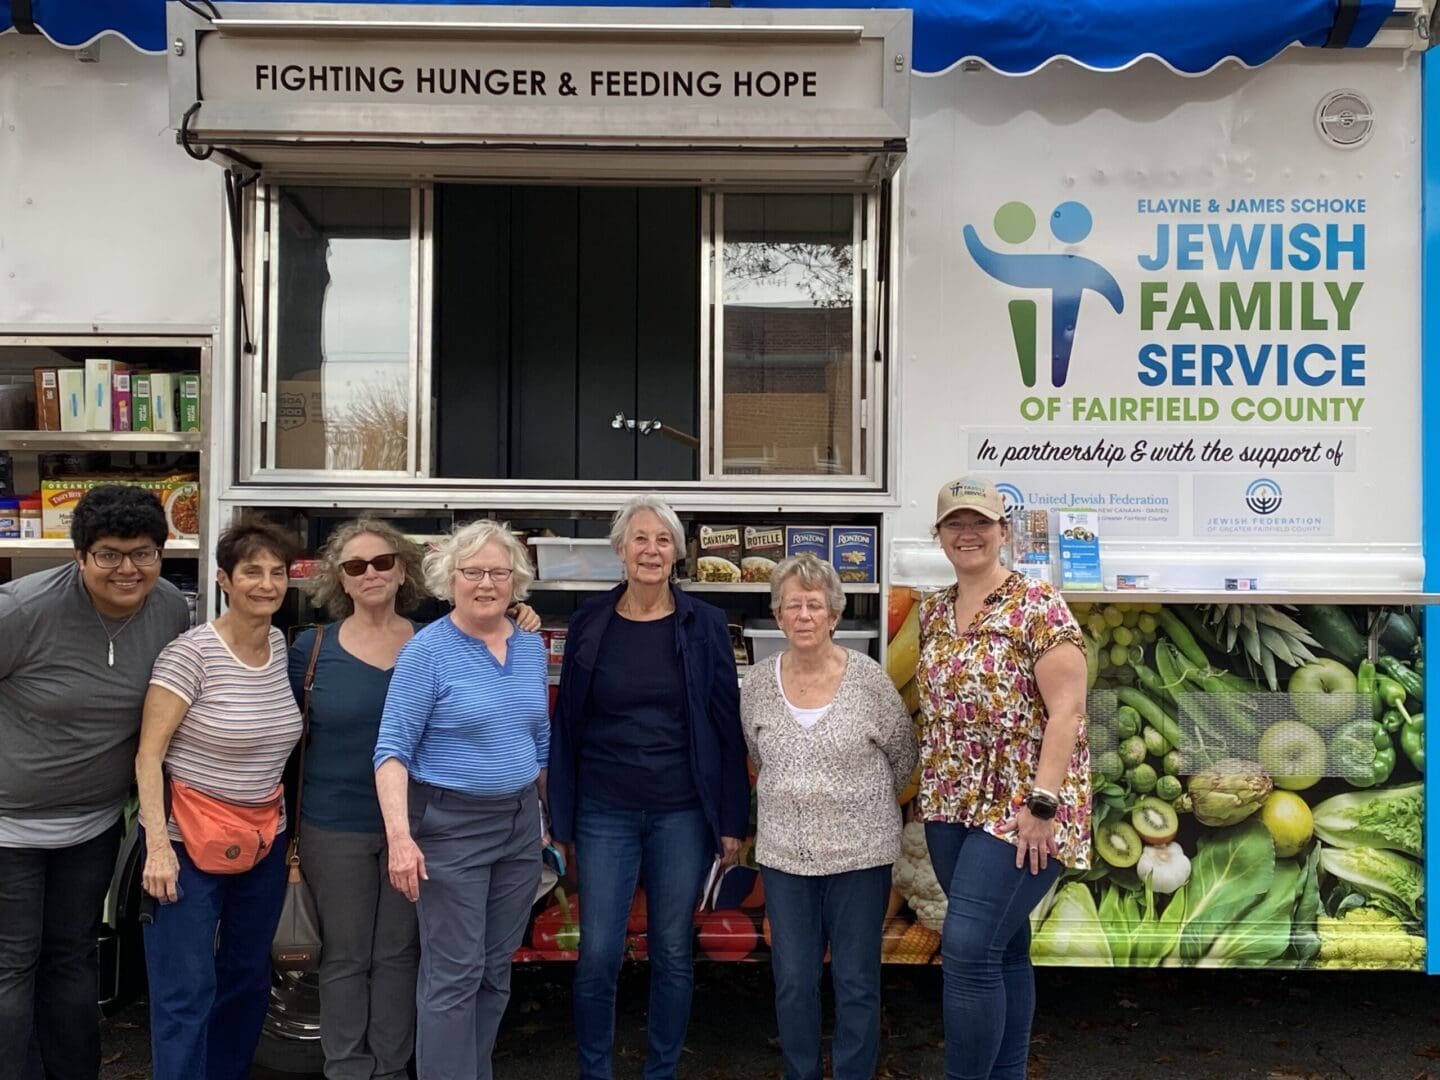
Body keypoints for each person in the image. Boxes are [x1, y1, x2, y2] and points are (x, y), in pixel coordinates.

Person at [548, 495, 750, 1080]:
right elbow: (567, 725)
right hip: (603, 809)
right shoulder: (591, 620)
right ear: (620, 549)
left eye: (663, 541)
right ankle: (596, 1071)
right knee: (598, 954)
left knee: (671, 951)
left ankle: (660, 1071)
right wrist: (562, 818)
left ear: (678, 555)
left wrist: (731, 821)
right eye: (640, 539)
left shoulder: (705, 624)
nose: (651, 551)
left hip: (682, 813)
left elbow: (724, 724)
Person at [0, 485, 190, 1080]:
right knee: (12, 964)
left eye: (143, 553)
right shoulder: (20, 611)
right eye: (109, 554)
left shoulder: (167, 609)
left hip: (94, 824)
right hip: (8, 827)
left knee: (74, 956)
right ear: (79, 555)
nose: (127, 569)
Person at [915, 476, 1090, 1080]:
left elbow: (1068, 710)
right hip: (949, 803)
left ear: (1003, 532)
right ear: (939, 536)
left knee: (965, 950)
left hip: (1021, 805)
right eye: (955, 524)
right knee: (1001, 946)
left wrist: (1043, 804)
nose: (969, 534)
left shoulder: (1038, 605)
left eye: (981, 523)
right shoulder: (932, 610)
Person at [373, 520, 549, 1080]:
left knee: (496, 970)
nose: (486, 583)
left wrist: (543, 821)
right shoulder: (428, 651)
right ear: (450, 579)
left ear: (515, 582)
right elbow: (392, 750)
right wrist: (401, 839)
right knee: (453, 974)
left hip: (519, 826)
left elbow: (537, 739)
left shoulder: (529, 648)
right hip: (450, 827)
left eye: (499, 572)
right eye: (472, 572)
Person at [136, 518, 304, 1080]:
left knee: (249, 978)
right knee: (185, 990)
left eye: (277, 572)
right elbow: (148, 757)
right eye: (252, 571)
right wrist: (158, 847)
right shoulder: (190, 655)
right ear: (224, 580)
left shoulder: (280, 645)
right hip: (186, 843)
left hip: (262, 841)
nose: (266, 584)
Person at [740, 554, 916, 1080]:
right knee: (793, 978)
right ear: (777, 614)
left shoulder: (870, 681)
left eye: (815, 605)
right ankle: (801, 1072)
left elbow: (903, 755)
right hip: (785, 858)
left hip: (861, 857)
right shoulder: (756, 684)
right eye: (792, 604)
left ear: (835, 615)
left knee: (857, 980)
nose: (804, 615)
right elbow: (757, 751)